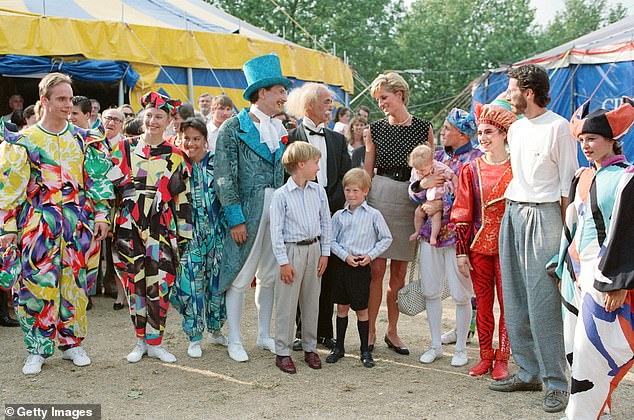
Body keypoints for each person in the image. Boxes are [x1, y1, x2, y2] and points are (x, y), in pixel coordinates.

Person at [0, 73, 113, 375]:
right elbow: (9, 192)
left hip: (77, 224)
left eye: (69, 98)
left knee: (74, 284)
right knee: (37, 285)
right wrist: (8, 228)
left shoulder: (84, 138)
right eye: (61, 99)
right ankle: (37, 349)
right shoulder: (24, 141)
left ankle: (72, 343)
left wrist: (101, 214)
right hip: (38, 225)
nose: (67, 104)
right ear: (44, 101)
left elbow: (96, 179)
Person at [489, 64, 578, 415]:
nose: (507, 95)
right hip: (513, 212)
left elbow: (567, 187)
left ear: (528, 92)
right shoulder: (517, 129)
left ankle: (556, 382)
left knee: (543, 303)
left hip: (544, 216)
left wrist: (564, 241)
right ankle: (528, 370)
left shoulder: (559, 128)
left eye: (511, 89)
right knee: (514, 298)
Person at [552, 99, 634, 420]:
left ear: (611, 140)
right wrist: (562, 268)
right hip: (576, 277)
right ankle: (602, 412)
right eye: (582, 140)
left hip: (605, 278)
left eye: (593, 139)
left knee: (593, 355)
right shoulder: (581, 176)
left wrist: (618, 283)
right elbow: (572, 225)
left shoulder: (626, 177)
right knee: (576, 351)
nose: (586, 145)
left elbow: (628, 233)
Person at [214, 54, 290, 363]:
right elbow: (223, 176)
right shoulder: (234, 127)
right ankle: (234, 337)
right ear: (262, 93)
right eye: (280, 91)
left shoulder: (281, 127)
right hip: (247, 211)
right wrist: (235, 217)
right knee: (241, 275)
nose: (285, 97)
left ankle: (263, 335)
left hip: (278, 210)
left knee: (270, 274)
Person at [107, 91, 192, 364]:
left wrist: (184, 236)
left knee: (160, 283)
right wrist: (107, 223)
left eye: (159, 116)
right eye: (149, 115)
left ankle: (156, 342)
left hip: (161, 228)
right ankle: (140, 340)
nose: (153, 121)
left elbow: (183, 201)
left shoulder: (176, 156)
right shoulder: (123, 149)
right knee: (134, 283)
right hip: (128, 226)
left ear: (169, 121)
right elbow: (109, 191)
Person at [363, 72, 433, 354]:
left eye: (384, 97)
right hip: (379, 194)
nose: (381, 103)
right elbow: (367, 168)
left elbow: (430, 168)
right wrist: (362, 203)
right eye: (378, 99)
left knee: (400, 273)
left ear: (400, 94)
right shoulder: (375, 129)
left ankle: (393, 331)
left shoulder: (423, 127)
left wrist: (428, 202)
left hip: (409, 198)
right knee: (376, 269)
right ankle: (369, 331)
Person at [450, 103, 518, 380]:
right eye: (480, 132)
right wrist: (460, 251)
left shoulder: (518, 167)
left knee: (508, 304)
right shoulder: (471, 169)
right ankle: (484, 357)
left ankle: (502, 358)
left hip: (509, 248)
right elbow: (462, 212)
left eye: (489, 131)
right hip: (479, 247)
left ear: (504, 133)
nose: (484, 138)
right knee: (483, 303)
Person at [409, 107, 480, 368]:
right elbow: (413, 190)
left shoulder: (476, 160)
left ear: (462, 134)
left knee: (461, 294)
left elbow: (475, 199)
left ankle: (461, 347)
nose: (443, 132)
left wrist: (444, 206)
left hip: (459, 237)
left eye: (448, 129)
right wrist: (423, 187)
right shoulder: (434, 156)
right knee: (430, 290)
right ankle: (435, 344)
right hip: (430, 234)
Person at [286, 82, 351, 349]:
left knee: (329, 272)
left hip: (332, 213)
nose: (330, 106)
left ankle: (324, 330)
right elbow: (285, 176)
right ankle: (303, 332)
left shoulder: (337, 139)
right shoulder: (291, 137)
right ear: (309, 105)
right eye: (325, 101)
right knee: (303, 273)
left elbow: (345, 175)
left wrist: (332, 205)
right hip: (300, 214)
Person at [269, 142, 331, 374]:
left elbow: (326, 222)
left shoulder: (318, 191)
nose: (318, 167)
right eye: (315, 162)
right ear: (301, 164)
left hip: (314, 249)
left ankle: (310, 347)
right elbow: (276, 231)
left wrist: (325, 252)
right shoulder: (282, 195)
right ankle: (283, 352)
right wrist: (283, 262)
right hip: (291, 251)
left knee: (311, 302)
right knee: (287, 303)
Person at [171, 117, 227, 358]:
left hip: (217, 235)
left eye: (196, 138)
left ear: (205, 140)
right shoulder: (176, 163)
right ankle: (194, 336)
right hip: (188, 237)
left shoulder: (217, 163)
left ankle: (215, 329)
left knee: (217, 286)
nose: (191, 143)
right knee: (191, 285)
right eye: (187, 138)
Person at [326, 168, 392, 368]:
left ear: (365, 192)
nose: (351, 195)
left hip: (362, 267)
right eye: (348, 190)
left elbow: (386, 237)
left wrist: (370, 256)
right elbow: (330, 240)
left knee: (362, 309)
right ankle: (339, 347)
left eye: (356, 191)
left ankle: (365, 350)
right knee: (342, 308)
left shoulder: (373, 215)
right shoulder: (338, 216)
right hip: (343, 265)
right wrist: (344, 256)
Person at [408, 144, 457, 245]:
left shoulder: (439, 166)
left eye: (422, 170)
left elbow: (452, 175)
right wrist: (421, 184)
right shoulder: (417, 169)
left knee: (436, 217)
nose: (419, 172)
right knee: (418, 213)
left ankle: (433, 237)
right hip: (426, 199)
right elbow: (412, 187)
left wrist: (455, 189)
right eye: (417, 170)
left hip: (438, 197)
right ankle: (417, 231)